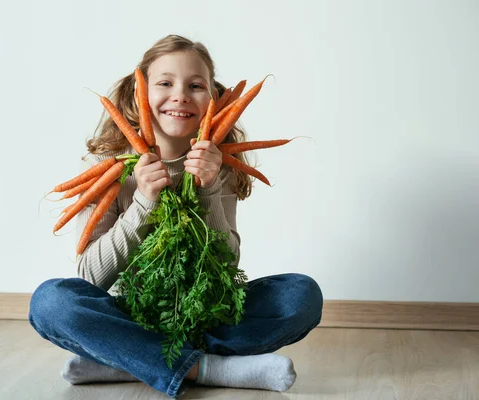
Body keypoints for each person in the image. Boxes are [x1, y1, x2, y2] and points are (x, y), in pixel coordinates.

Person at [29, 34, 323, 398]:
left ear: (213, 100)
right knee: (51, 302)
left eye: (195, 85)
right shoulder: (105, 168)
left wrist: (208, 188)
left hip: (204, 317)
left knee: (301, 295)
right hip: (128, 313)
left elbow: (226, 266)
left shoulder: (220, 165)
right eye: (165, 83)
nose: (180, 94)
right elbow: (91, 278)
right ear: (139, 96)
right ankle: (208, 369)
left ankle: (125, 360)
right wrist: (143, 204)